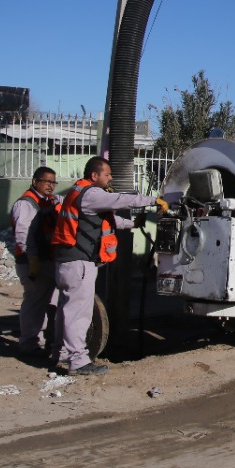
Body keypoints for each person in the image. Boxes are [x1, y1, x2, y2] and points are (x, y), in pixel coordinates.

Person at [51, 156, 167, 376]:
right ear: (94, 176)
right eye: (107, 174)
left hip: (67, 261)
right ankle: (78, 361)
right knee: (79, 313)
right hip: (79, 262)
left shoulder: (79, 192)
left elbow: (107, 220)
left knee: (67, 310)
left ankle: (61, 353)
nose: (110, 178)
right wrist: (154, 201)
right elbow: (121, 200)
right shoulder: (92, 194)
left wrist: (133, 224)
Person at [11, 166, 61, 360]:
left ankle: (47, 341)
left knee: (50, 303)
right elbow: (23, 234)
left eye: (53, 182)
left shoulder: (47, 202)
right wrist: (32, 259)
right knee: (35, 303)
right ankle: (29, 343)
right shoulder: (26, 204)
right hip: (32, 262)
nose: (50, 186)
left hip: (48, 260)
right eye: (46, 182)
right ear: (35, 182)